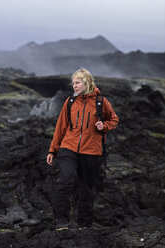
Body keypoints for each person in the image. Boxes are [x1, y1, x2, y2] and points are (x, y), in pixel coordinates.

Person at [46, 68, 119, 231]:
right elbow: (60, 127)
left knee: (87, 188)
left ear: (87, 83)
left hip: (91, 151)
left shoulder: (101, 102)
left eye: (78, 83)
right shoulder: (70, 102)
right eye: (73, 83)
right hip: (68, 147)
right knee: (65, 180)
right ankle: (61, 222)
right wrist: (52, 150)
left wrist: (104, 125)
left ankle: (84, 226)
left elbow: (114, 119)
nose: (75, 86)